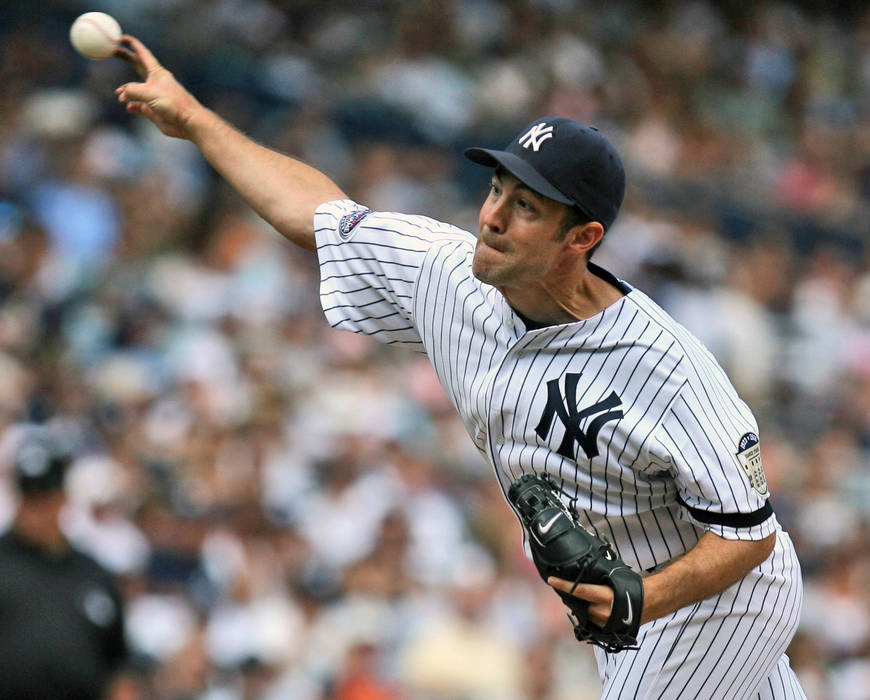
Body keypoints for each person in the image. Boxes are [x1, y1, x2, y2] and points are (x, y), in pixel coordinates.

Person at [113, 35, 806, 699]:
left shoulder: (667, 367)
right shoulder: (444, 274)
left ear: (583, 237)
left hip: (715, 600)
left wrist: (644, 599)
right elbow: (315, 213)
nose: (492, 217)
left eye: (526, 207)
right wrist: (198, 121)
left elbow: (749, 534)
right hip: (640, 601)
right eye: (496, 189)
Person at [0, 427, 129, 700]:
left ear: (62, 500)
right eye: (28, 498)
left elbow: (117, 668)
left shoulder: (93, 575)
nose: (34, 512)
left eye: (43, 499)